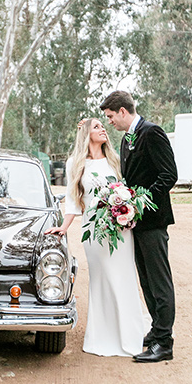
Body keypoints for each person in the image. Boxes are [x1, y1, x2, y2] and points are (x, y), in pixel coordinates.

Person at [46, 118, 144, 357]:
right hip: (94, 230)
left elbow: (128, 189)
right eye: (97, 126)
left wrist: (128, 209)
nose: (103, 129)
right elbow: (72, 200)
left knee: (123, 276)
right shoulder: (74, 163)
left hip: (120, 229)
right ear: (87, 134)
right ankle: (103, 333)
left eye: (103, 126)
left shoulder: (115, 160)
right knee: (102, 279)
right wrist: (63, 226)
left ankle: (130, 332)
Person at [100, 90, 177, 363]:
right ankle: (157, 332)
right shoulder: (126, 140)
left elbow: (169, 175)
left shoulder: (152, 132)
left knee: (159, 282)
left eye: (110, 116)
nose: (109, 122)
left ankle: (164, 343)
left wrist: (139, 203)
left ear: (123, 111)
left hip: (153, 221)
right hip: (136, 224)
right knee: (146, 282)